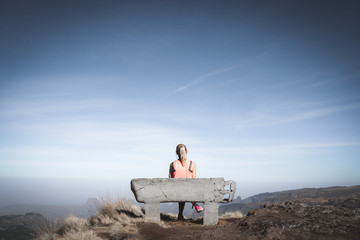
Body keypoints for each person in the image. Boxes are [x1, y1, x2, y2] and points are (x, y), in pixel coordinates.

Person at [169, 144, 204, 220]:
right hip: (188, 191)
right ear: (186, 151)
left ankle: (180, 214)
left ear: (176, 153)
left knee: (181, 189)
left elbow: (169, 181)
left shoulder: (172, 164)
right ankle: (195, 204)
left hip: (175, 191)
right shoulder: (192, 164)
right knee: (188, 188)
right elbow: (194, 181)